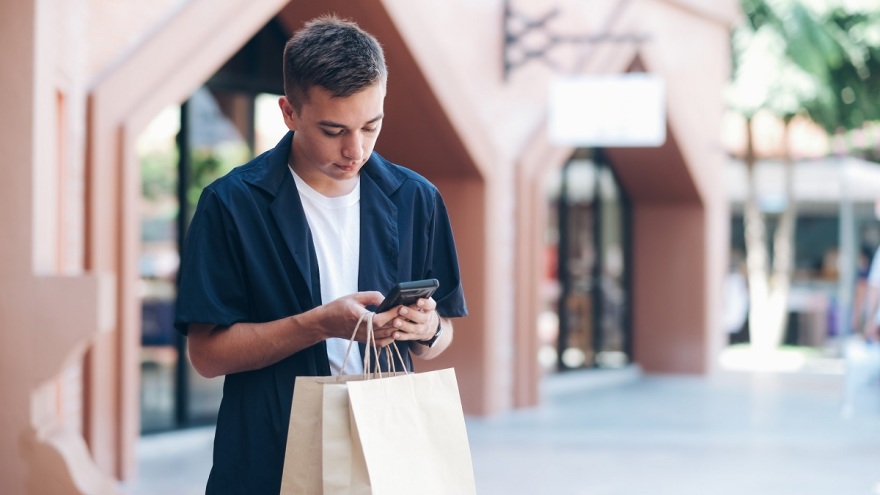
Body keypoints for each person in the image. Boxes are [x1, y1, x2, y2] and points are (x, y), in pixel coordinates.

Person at [174, 15, 467, 494]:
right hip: (271, 453)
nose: (356, 149)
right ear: (289, 112)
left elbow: (441, 334)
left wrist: (427, 329)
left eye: (371, 126)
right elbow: (206, 355)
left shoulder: (417, 198)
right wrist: (317, 324)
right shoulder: (232, 203)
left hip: (387, 451)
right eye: (333, 130)